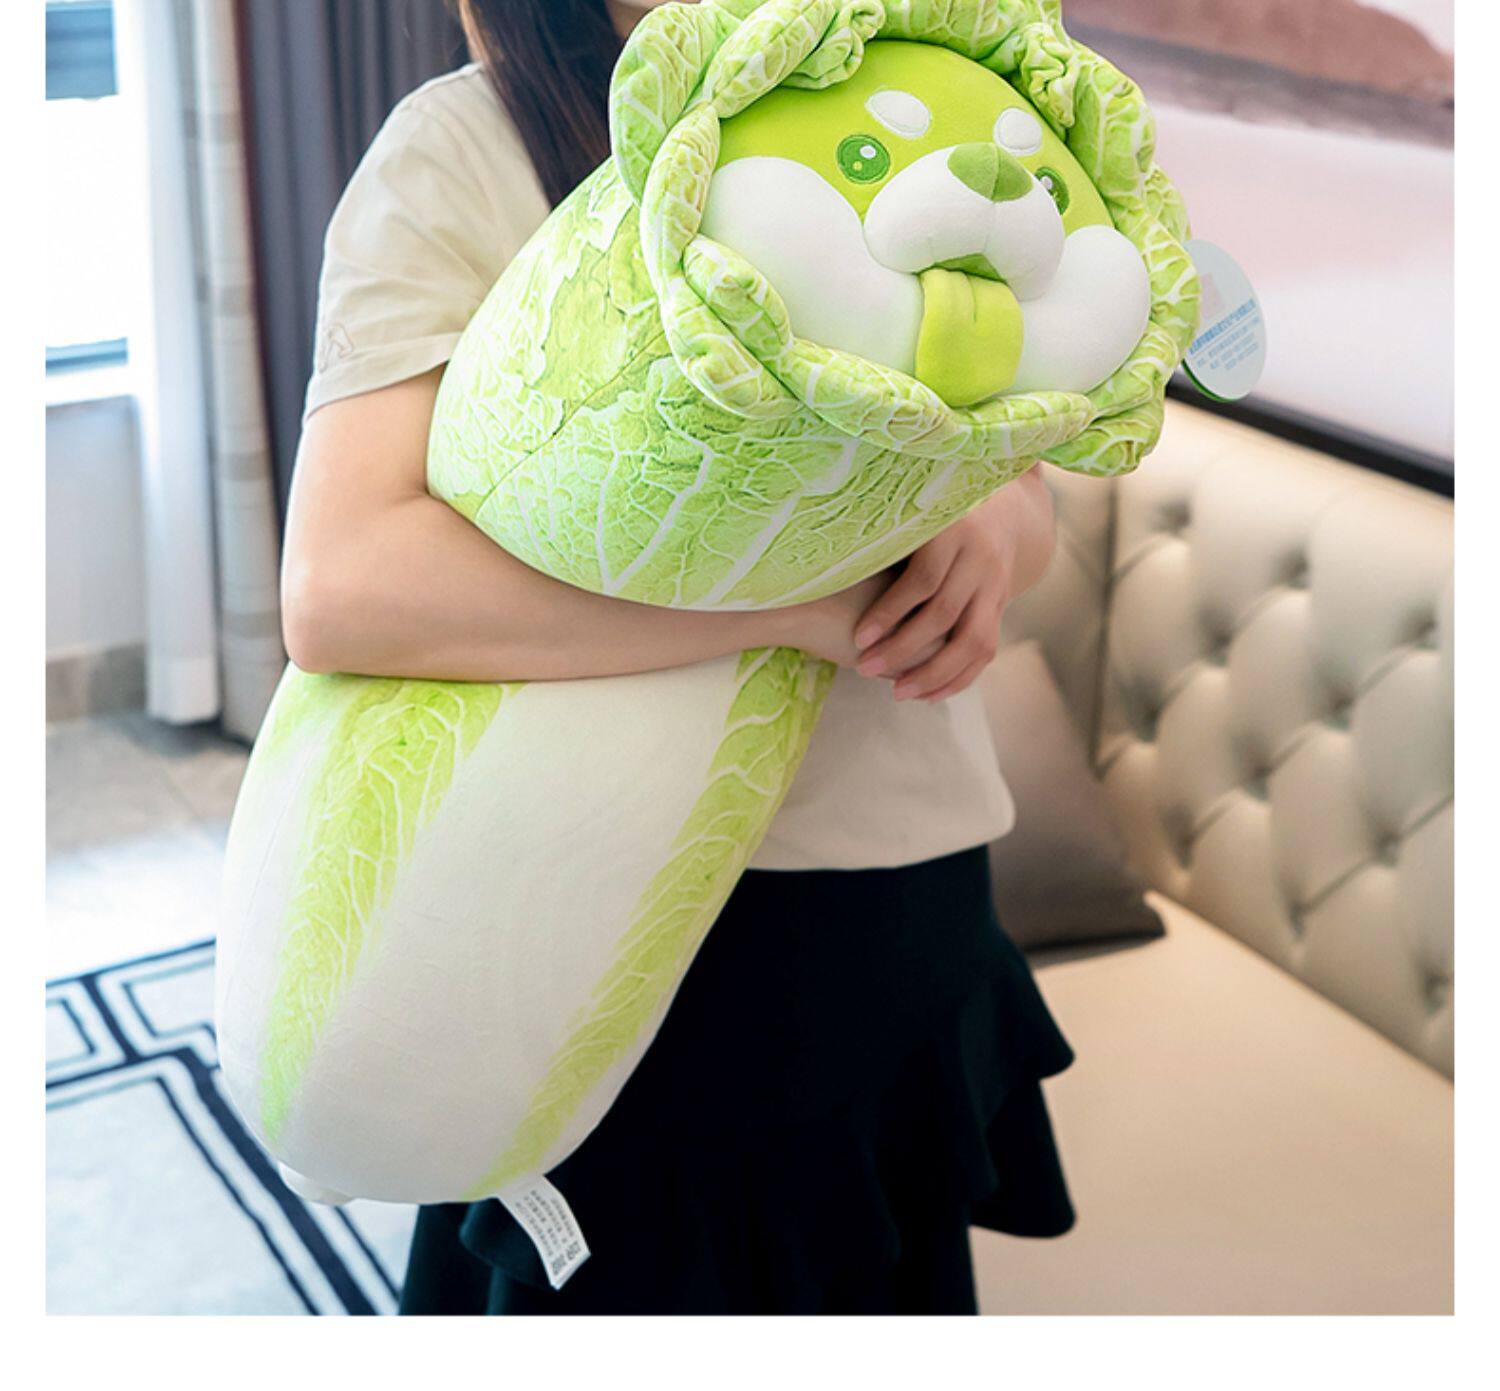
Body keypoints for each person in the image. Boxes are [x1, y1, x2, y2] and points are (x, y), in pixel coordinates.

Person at [281, 0, 1075, 1316]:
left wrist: (998, 518)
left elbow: (1026, 465)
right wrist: (792, 600)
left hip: (895, 897)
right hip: (617, 914)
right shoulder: (468, 147)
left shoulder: (916, 95)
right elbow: (346, 584)